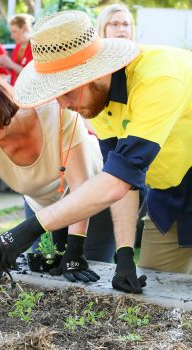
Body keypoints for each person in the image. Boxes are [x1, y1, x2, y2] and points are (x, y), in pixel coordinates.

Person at [0, 10, 192, 295]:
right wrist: (124, 255)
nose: (63, 104)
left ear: (97, 72)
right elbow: (121, 179)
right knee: (160, 293)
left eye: (66, 91)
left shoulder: (159, 78)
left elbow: (116, 183)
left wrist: (32, 228)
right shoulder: (96, 99)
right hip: (169, 199)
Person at [0, 62, 103, 303]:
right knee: (47, 288)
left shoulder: (57, 114)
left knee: (90, 287)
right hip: (42, 214)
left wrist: (75, 249)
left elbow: (81, 188)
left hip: (94, 203)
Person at [96, 3, 146, 248]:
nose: (121, 29)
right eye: (114, 24)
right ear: (102, 29)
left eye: (126, 24)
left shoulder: (143, 65)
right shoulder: (96, 75)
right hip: (115, 149)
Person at [0, 14, 34, 86]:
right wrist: (7, 66)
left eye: (14, 32)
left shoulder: (34, 47)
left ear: (24, 29)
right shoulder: (18, 46)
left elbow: (31, 75)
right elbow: (15, 71)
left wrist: (10, 64)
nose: (11, 36)